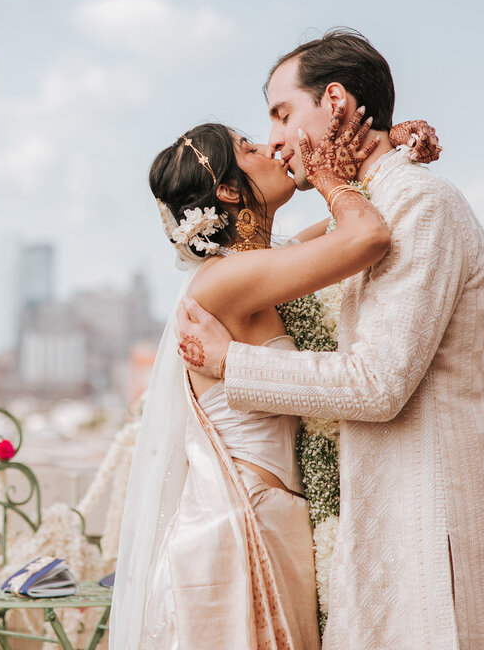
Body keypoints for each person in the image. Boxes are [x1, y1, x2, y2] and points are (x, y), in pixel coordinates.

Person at [175, 29, 484, 649]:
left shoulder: (421, 203)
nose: (272, 137)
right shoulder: (373, 204)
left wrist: (230, 362)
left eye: (282, 113)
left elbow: (378, 383)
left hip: (434, 522)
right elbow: (297, 252)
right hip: (381, 525)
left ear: (337, 102)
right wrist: (380, 149)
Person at [111, 104, 434, 650]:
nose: (271, 147)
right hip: (233, 528)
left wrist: (383, 148)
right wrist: (333, 176)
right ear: (231, 192)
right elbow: (365, 238)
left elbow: (347, 217)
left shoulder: (256, 266)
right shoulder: (228, 279)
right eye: (250, 150)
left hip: (268, 519)